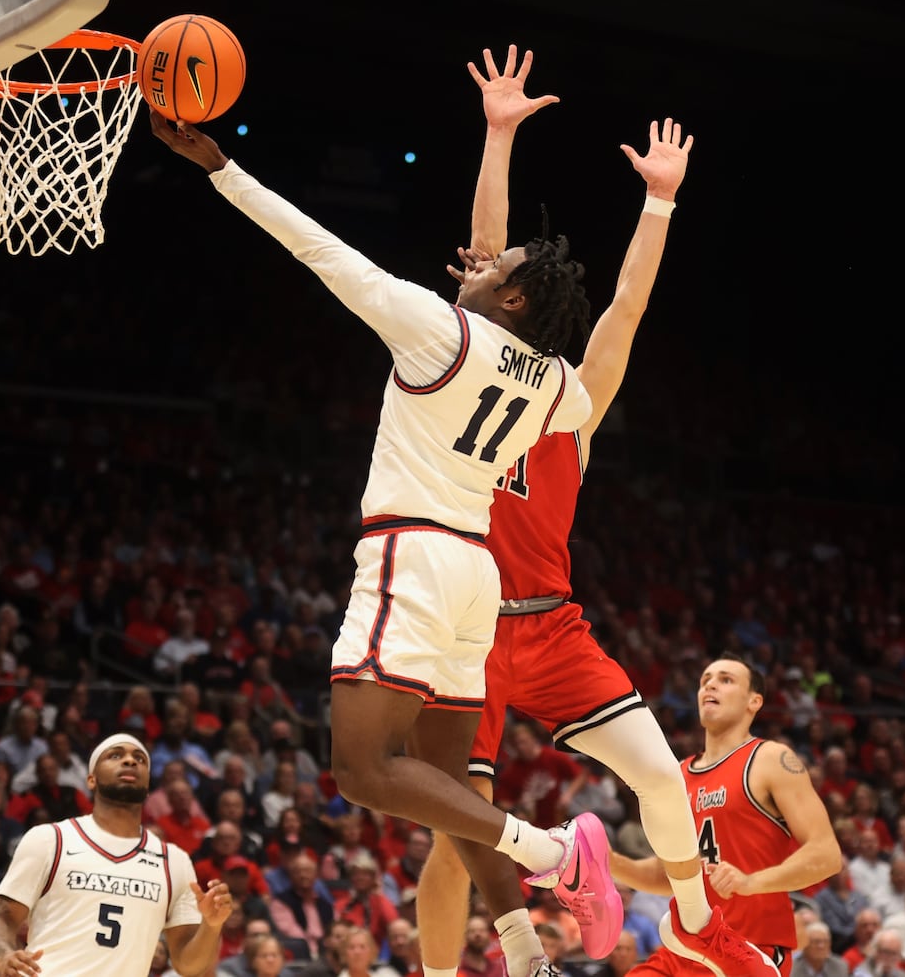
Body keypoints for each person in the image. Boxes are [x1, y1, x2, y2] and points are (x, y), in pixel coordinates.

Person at [149, 49, 613, 977]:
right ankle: (523, 947)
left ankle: (556, 853)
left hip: (410, 559)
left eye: (493, 266)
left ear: (510, 296)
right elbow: (502, 279)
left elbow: (316, 245)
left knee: (361, 772)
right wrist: (498, 138)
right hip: (475, 575)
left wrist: (220, 167)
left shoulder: (437, 328)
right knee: (442, 788)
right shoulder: (561, 387)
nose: (474, 262)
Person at [414, 41, 771, 977]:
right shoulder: (466, 368)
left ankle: (695, 924)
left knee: (662, 774)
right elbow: (484, 263)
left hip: (553, 625)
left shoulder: (574, 398)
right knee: (454, 829)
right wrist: (495, 137)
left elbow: (627, 305)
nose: (487, 283)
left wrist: (660, 201)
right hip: (467, 629)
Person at [612, 657, 845, 977]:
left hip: (749, 947)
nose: (709, 684)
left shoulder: (771, 759)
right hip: (682, 951)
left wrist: (752, 882)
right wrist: (606, 860)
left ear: (754, 701)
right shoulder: (678, 775)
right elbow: (669, 872)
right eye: (705, 679)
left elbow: (827, 854)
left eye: (725, 679)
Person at [0, 733, 234, 977]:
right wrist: (3, 956)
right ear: (91, 779)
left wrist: (212, 926)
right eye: (115, 755)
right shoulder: (49, 840)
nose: (130, 760)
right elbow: (0, 921)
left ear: (147, 786)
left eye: (140, 758)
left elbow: (188, 966)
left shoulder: (174, 862)